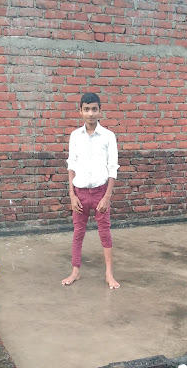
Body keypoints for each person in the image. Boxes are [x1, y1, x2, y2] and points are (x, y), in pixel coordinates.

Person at [62, 92, 120, 289]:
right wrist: (71, 195)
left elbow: (113, 168)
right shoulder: (75, 136)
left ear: (100, 111)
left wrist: (107, 197)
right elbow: (71, 165)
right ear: (80, 111)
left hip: (100, 192)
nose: (90, 113)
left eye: (94, 109)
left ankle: (109, 274)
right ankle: (75, 271)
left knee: (105, 232)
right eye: (86, 109)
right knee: (78, 231)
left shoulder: (108, 136)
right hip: (79, 193)